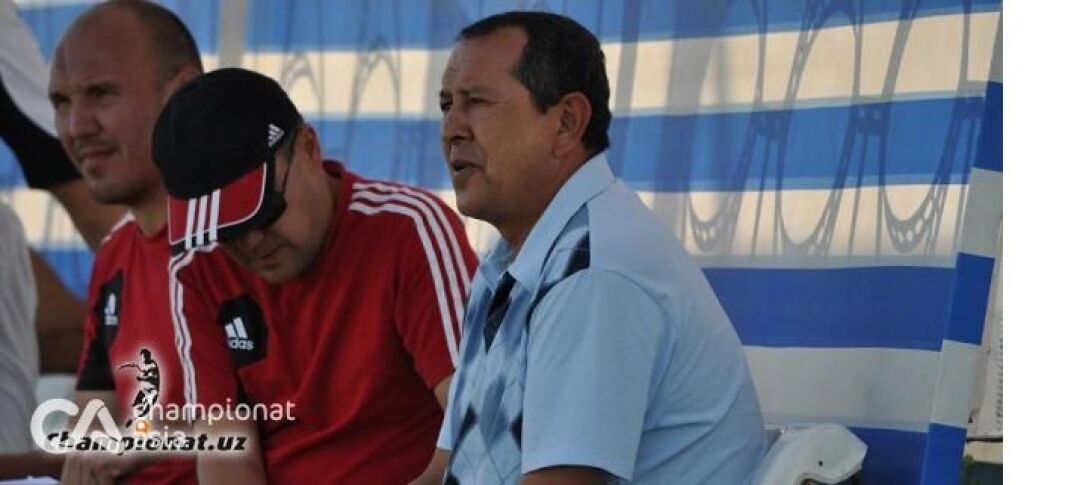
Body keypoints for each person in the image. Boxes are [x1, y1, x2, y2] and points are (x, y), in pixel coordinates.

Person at [417, 11, 767, 484]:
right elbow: (447, 470)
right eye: (446, 105)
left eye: (476, 102)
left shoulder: (593, 270)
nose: (451, 129)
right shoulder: (512, 264)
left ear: (566, 122)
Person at [154, 67, 478, 483]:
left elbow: (476, 426)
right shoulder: (198, 267)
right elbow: (225, 454)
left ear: (309, 147)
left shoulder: (408, 230)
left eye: (265, 213)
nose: (251, 242)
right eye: (224, 231)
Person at [45, 1, 205, 483]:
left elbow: (290, 417)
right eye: (60, 102)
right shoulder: (115, 253)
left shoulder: (251, 239)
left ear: (182, 93)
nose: (77, 126)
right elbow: (84, 447)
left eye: (101, 93)